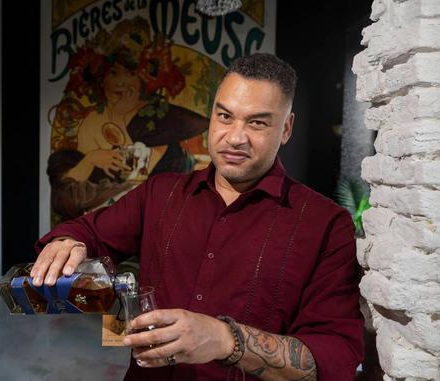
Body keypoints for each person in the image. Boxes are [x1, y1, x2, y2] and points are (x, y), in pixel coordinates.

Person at [33, 53, 364, 381]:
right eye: (225, 116)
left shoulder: (325, 225)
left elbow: (335, 358)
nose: (235, 137)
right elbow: (88, 231)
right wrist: (68, 241)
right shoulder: (159, 193)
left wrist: (225, 340)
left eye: (257, 122)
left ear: (286, 129)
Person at [47, 17, 209, 221]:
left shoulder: (163, 122)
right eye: (113, 73)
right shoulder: (90, 124)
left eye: (130, 73)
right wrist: (91, 159)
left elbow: (137, 187)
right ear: (102, 78)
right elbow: (67, 200)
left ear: (142, 79)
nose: (121, 82)